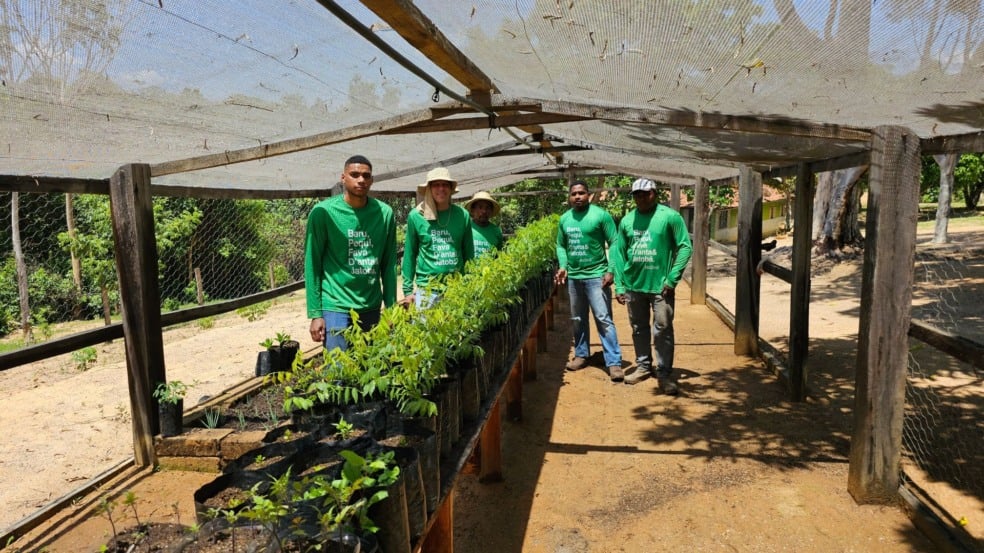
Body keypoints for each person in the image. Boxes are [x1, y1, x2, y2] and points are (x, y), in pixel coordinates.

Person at [304, 155, 397, 352]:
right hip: (336, 305)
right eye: (354, 175)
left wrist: (391, 308)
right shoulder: (324, 213)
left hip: (371, 304)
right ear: (343, 178)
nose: (361, 180)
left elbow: (388, 265)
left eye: (366, 176)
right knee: (338, 372)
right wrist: (315, 313)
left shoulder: (385, 214)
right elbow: (313, 263)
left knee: (371, 367)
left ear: (371, 180)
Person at [613, 178, 693, 393]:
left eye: (645, 193)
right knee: (638, 328)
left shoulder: (669, 217)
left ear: (654, 194)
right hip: (634, 285)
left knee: (663, 328)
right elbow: (619, 254)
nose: (641, 197)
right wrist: (619, 286)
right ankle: (643, 366)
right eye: (636, 194)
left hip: (661, 287)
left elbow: (685, 247)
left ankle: (664, 372)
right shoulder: (627, 221)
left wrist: (672, 278)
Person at [554, 180, 624, 382]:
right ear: (569, 196)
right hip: (574, 278)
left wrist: (611, 270)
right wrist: (563, 266)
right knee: (577, 318)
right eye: (574, 194)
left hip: (597, 276)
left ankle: (614, 362)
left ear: (589, 195)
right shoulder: (565, 219)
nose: (577, 197)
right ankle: (581, 354)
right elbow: (561, 245)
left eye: (581, 193)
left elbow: (615, 241)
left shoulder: (600, 215)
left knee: (603, 319)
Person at [401, 167, 474, 308]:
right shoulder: (416, 216)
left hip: (457, 289)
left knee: (458, 329)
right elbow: (410, 254)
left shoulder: (462, 215)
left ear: (451, 188)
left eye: (445, 184)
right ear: (429, 188)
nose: (441, 188)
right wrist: (408, 290)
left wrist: (471, 284)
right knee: (425, 329)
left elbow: (469, 254)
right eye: (436, 184)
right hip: (427, 291)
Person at [465, 190, 504, 257]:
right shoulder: (466, 228)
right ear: (472, 210)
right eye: (480, 207)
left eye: (487, 208)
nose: (484, 211)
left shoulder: (496, 232)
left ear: (491, 211)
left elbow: (498, 256)